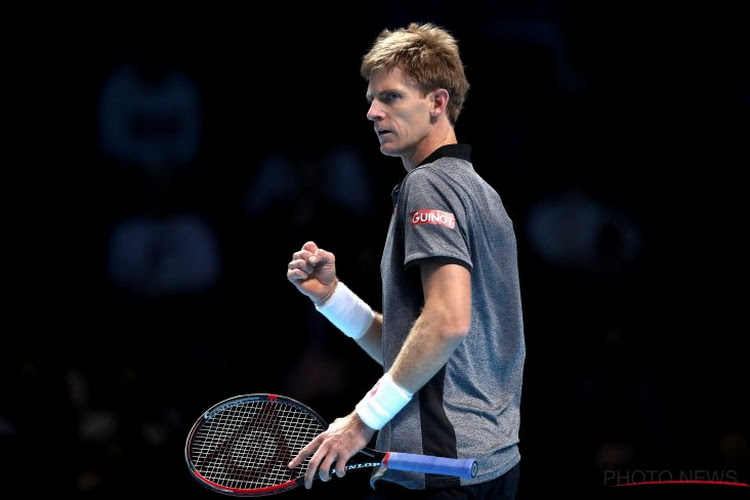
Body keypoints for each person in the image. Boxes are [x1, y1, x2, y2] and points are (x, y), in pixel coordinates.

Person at [286, 22, 526, 499]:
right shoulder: (483, 192)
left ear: (438, 101)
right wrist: (334, 300)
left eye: (391, 98)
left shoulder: (428, 184)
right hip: (491, 463)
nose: (372, 111)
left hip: (435, 462)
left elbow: (447, 323)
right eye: (372, 98)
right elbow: (426, 350)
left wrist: (360, 423)